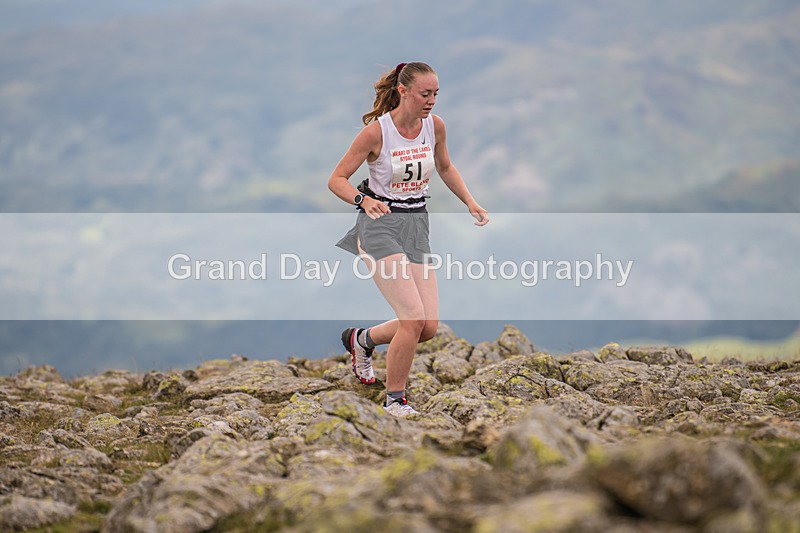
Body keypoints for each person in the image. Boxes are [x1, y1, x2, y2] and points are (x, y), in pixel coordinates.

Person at [328, 61, 489, 417]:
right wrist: (362, 199)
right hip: (380, 226)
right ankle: (395, 400)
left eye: (435, 94)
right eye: (424, 94)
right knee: (412, 320)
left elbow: (445, 167)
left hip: (417, 225)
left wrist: (470, 202)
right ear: (403, 92)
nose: (431, 100)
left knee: (427, 327)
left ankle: (362, 341)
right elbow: (337, 179)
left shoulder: (435, 126)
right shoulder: (377, 133)